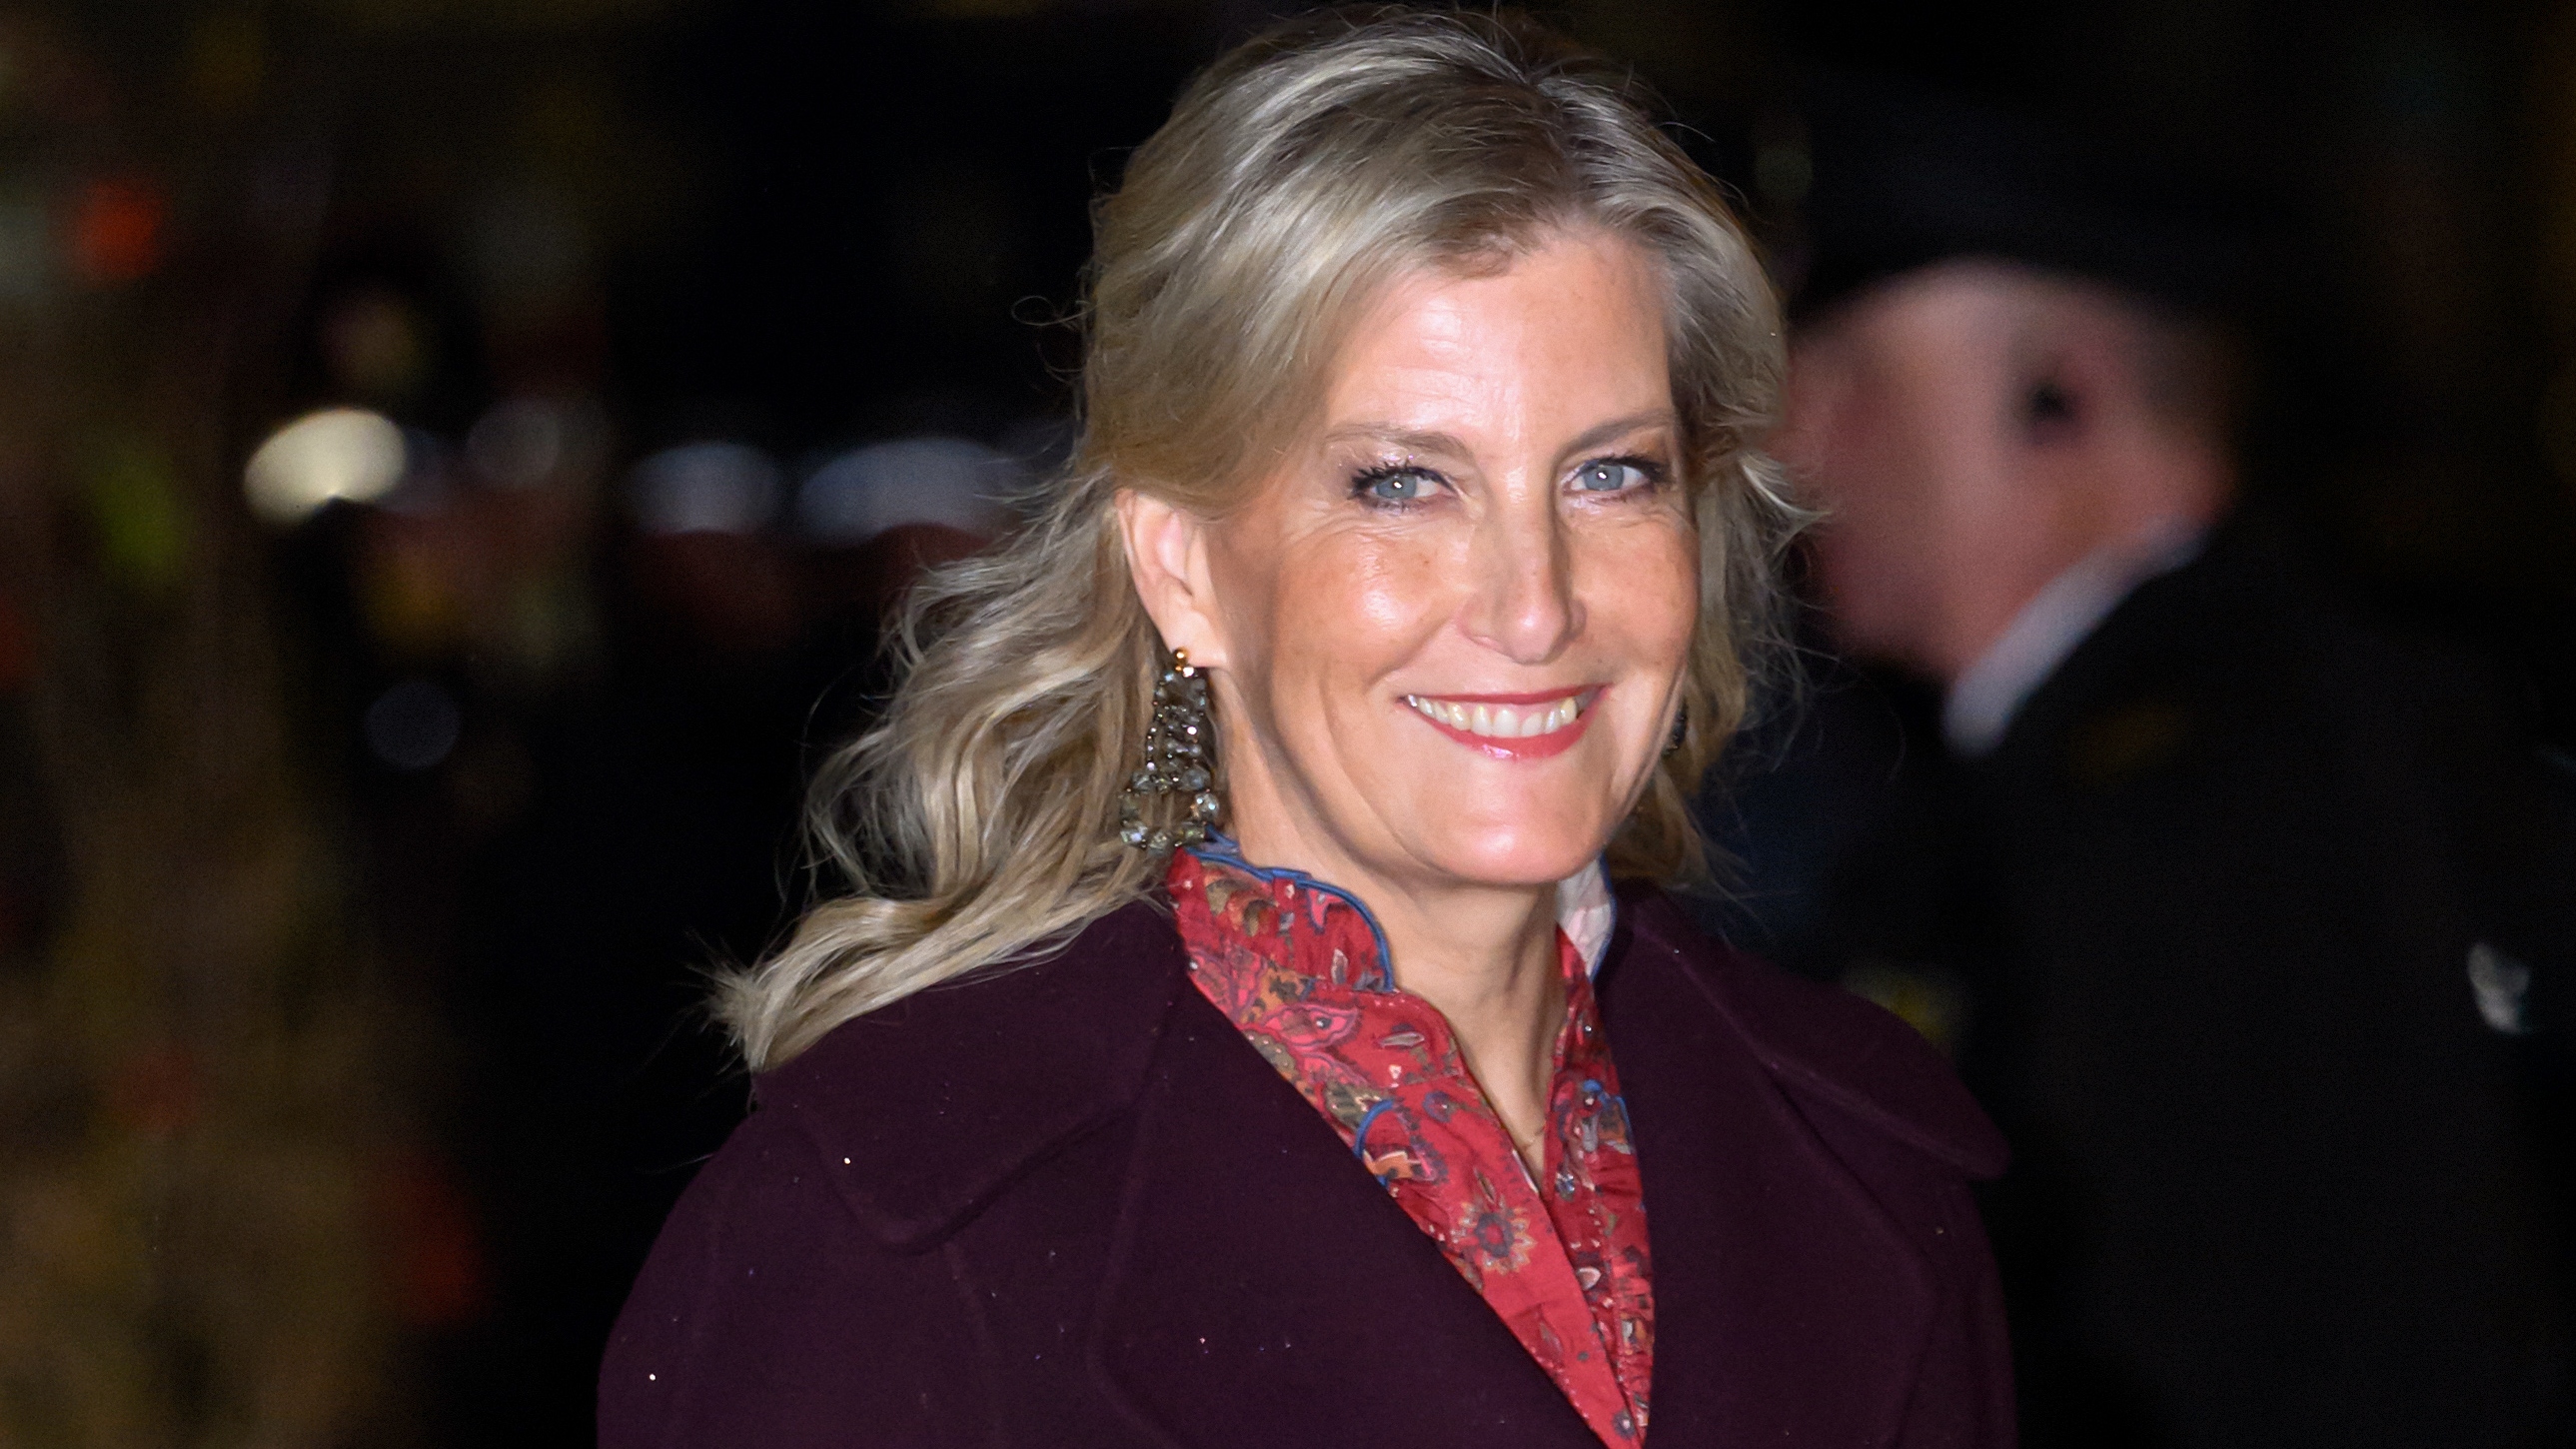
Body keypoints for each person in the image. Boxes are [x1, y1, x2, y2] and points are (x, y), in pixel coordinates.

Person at [600, 14, 2013, 1448]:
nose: (1534, 606)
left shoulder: (1863, 1156)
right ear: (1183, 567)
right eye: (1402, 483)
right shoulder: (890, 1230)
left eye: (1606, 474)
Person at [1733, 79, 2574, 1449]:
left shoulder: (2233, 796)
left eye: (1848, 378)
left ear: (2060, 392)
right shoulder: (2093, 768)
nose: (1789, 447)